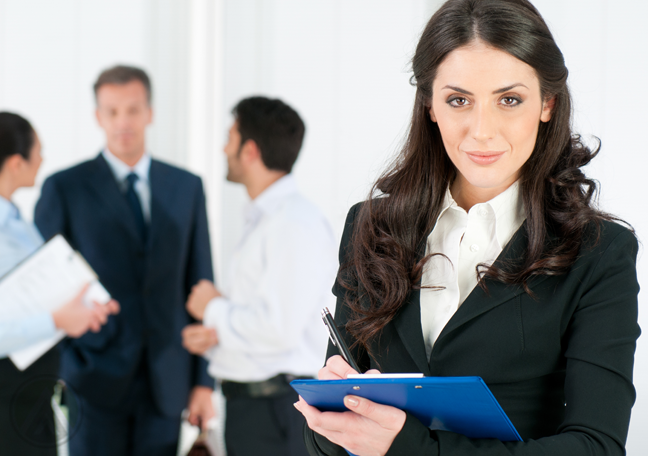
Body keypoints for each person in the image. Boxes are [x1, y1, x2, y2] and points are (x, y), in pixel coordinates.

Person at [294, 0, 641, 455]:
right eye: (459, 100)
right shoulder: (372, 226)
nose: (482, 130)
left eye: (509, 100)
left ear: (548, 104)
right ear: (431, 106)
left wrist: (409, 447)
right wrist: (332, 417)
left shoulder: (600, 251)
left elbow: (597, 446)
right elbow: (324, 444)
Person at [35, 65, 215, 456]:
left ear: (149, 113)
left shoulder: (186, 187)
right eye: (112, 111)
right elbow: (43, 285)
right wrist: (64, 365)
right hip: (92, 377)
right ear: (98, 117)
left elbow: (200, 282)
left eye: (133, 110)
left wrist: (203, 380)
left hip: (167, 379)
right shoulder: (64, 188)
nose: (123, 122)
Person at [181, 96, 337, 456]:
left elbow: (278, 330)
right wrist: (217, 333)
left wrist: (213, 309)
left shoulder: (293, 222)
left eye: (230, 137)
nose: (223, 147)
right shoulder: (268, 219)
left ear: (249, 150)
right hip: (255, 410)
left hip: (274, 413)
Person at [0, 111, 119, 455]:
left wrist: (83, 308)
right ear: (15, 163)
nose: (44, 159)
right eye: (38, 150)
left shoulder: (19, 222)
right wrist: (57, 320)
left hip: (32, 393)